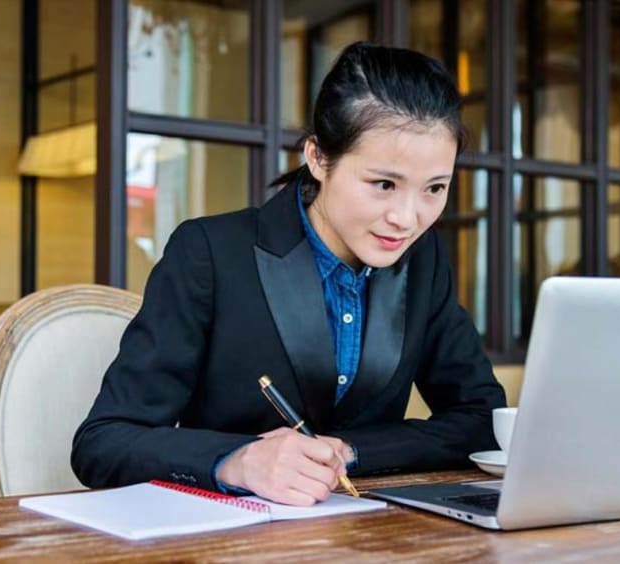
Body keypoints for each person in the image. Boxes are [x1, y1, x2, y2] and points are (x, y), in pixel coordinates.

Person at [71, 41, 506, 507]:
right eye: (384, 184)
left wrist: (352, 451)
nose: (408, 217)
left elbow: (482, 417)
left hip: (368, 539)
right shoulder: (210, 254)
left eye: (434, 188)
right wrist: (235, 461)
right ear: (318, 157)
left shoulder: (423, 261)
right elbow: (103, 441)